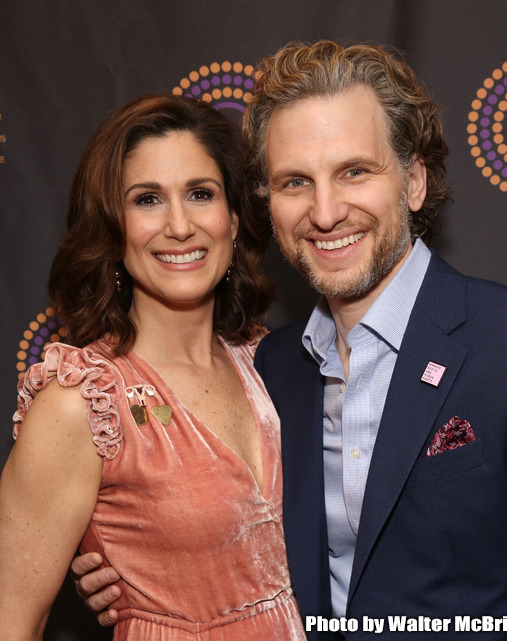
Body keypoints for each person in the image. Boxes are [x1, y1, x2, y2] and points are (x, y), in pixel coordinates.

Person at [73, 41, 507, 639]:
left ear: (415, 180)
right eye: (296, 181)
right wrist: (148, 571)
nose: (325, 213)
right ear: (268, 204)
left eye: (354, 172)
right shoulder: (275, 368)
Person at [0, 94, 307, 640]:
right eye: (147, 200)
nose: (180, 225)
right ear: (114, 231)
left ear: (234, 220)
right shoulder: (81, 403)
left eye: (200, 194)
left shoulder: (275, 365)